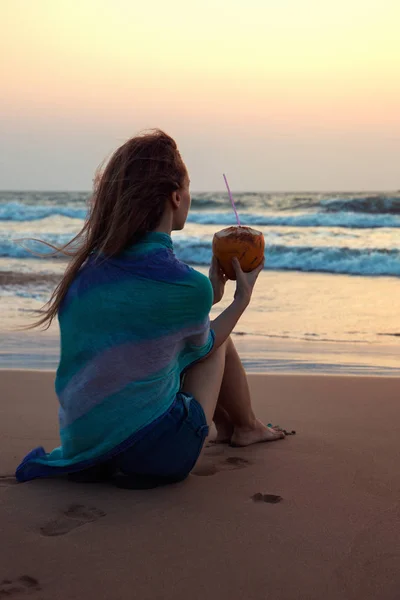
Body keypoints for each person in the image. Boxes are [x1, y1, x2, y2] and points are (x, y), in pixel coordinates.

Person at [16, 130, 283, 489]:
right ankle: (248, 427)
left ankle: (242, 426)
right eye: (188, 189)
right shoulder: (184, 285)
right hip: (158, 455)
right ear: (176, 196)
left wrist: (208, 296)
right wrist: (239, 301)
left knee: (199, 327)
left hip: (86, 448)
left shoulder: (84, 275)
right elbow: (204, 345)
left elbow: (140, 331)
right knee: (215, 338)